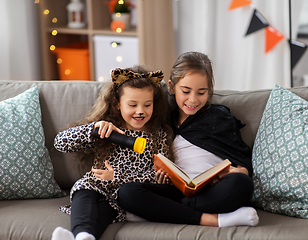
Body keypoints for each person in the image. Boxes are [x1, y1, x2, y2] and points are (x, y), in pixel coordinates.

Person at [118, 52, 259, 227]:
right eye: (185, 91)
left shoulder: (218, 117)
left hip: (212, 191)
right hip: (176, 190)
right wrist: (162, 177)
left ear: (209, 90)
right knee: (127, 193)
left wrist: (238, 172)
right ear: (171, 87)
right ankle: (212, 219)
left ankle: (165, 211)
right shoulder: (162, 120)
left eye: (201, 92)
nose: (193, 99)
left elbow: (243, 162)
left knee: (242, 184)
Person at [51, 66, 172, 240]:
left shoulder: (158, 135)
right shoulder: (107, 128)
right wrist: (92, 129)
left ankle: (83, 236)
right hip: (95, 185)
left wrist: (117, 176)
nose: (140, 111)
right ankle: (81, 234)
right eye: (132, 105)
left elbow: (155, 175)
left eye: (147, 105)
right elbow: (60, 143)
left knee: (107, 211)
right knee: (83, 190)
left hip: (123, 196)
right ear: (117, 103)